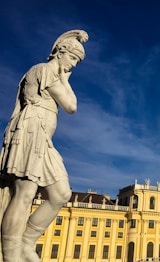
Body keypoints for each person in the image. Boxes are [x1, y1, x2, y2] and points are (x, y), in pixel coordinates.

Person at [0, 30, 88, 262]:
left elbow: (71, 105)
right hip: (30, 133)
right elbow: (71, 106)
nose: (73, 66)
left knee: (61, 194)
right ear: (60, 51)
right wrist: (64, 80)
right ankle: (11, 255)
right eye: (72, 59)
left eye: (76, 62)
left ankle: (26, 242)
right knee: (25, 193)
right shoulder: (43, 70)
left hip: (44, 141)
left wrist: (64, 78)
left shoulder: (54, 74)